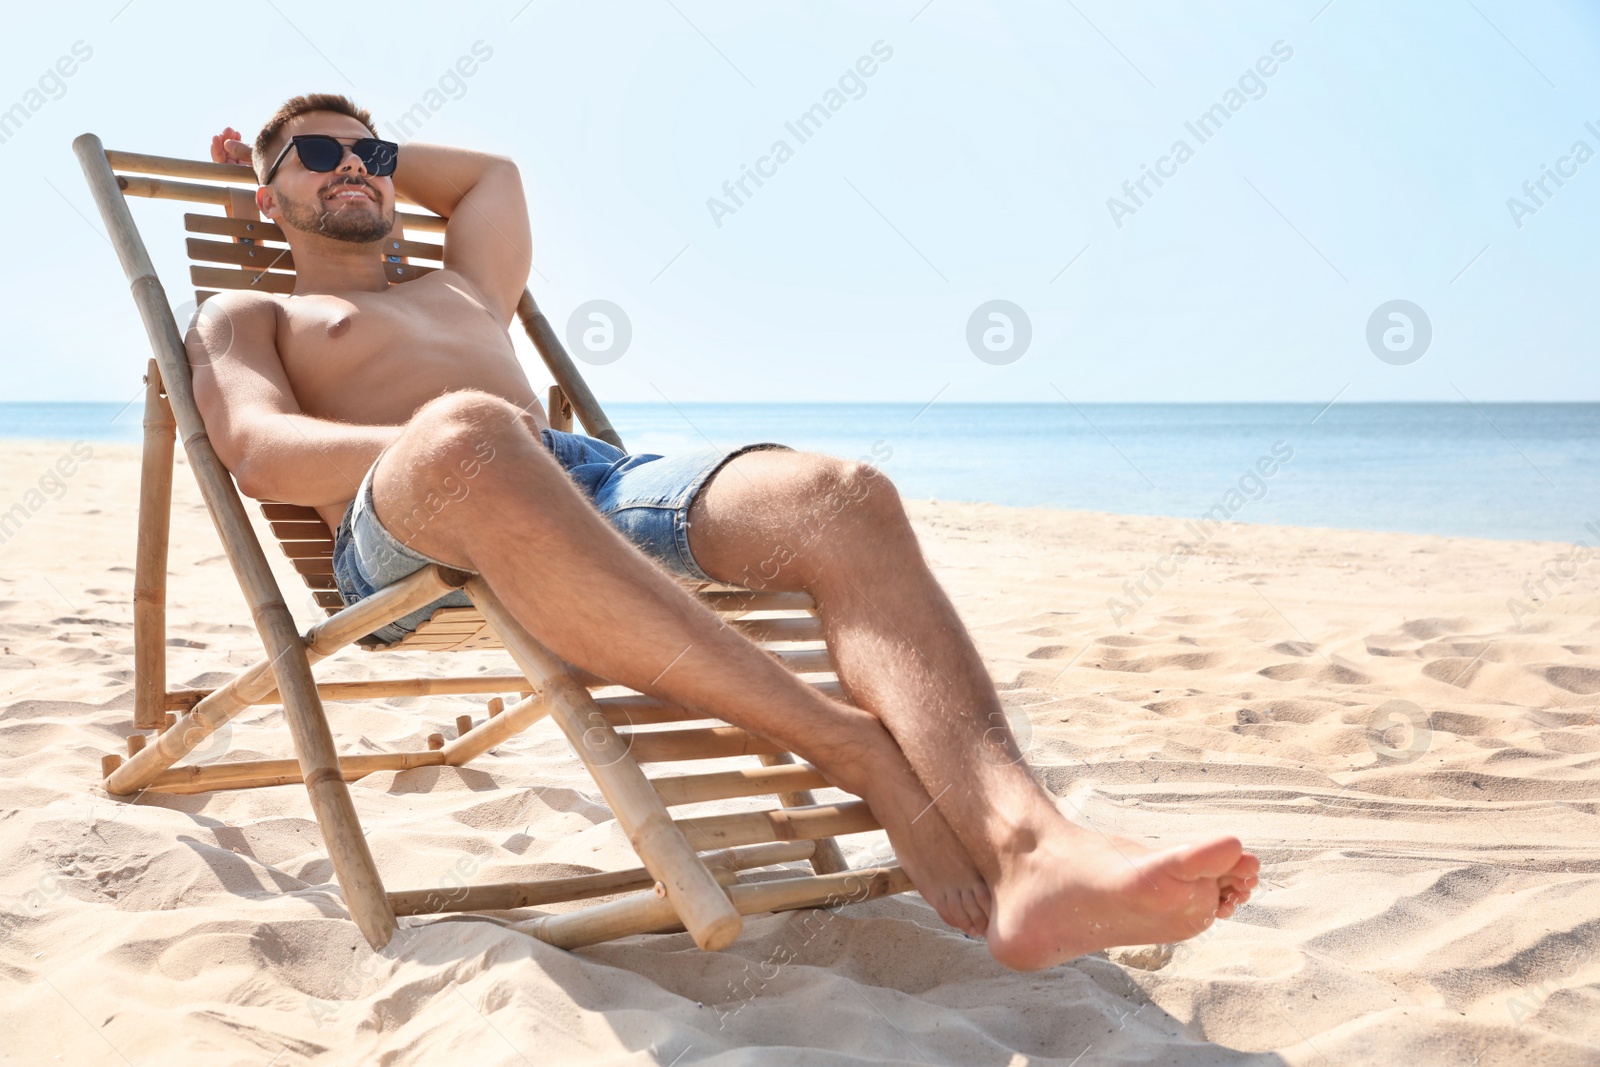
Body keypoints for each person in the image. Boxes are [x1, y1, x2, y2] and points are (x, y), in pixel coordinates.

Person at [192, 93, 1258, 971]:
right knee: (471, 428)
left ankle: (1039, 852)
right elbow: (259, 446)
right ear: (265, 190)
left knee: (841, 491)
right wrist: (455, 441)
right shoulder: (253, 310)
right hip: (408, 519)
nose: (356, 167)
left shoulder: (464, 283)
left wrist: (344, 154)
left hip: (590, 482)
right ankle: (857, 750)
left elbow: (488, 180)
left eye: (370, 152)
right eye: (320, 154)